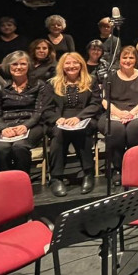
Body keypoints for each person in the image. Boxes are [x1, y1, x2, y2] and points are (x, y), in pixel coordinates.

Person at [46, 52, 101, 196]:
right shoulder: (52, 83)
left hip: (85, 118)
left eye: (75, 62)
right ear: (62, 66)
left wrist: (79, 118)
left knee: (82, 131)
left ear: (81, 64)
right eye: (68, 63)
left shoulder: (91, 81)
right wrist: (57, 119)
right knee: (58, 133)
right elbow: (46, 107)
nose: (72, 66)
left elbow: (95, 104)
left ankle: (88, 173)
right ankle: (56, 178)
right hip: (60, 120)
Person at [0, 51, 49, 176]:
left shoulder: (39, 85)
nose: (19, 67)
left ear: (29, 66)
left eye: (23, 64)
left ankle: (22, 180)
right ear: (8, 66)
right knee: (2, 149)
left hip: (31, 124)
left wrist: (25, 126)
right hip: (4, 125)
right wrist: (3, 128)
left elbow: (39, 111)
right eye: (14, 64)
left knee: (19, 147)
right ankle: (5, 181)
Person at [101, 45, 138, 179]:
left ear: (136, 60)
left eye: (131, 57)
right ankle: (118, 167)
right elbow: (105, 100)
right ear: (119, 59)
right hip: (114, 111)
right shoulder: (110, 77)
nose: (128, 60)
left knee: (136, 127)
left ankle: (135, 165)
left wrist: (132, 113)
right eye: (125, 57)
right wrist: (119, 113)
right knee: (115, 129)